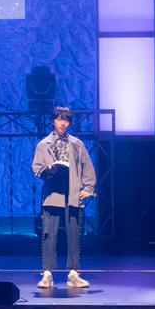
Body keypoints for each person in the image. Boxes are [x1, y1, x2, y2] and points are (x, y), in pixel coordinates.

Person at [31, 106, 96, 288]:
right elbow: (37, 167)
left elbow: (87, 166)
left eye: (66, 120)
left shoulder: (77, 144)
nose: (63, 123)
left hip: (72, 194)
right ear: (53, 121)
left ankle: (74, 273)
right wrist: (49, 171)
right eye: (60, 119)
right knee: (49, 235)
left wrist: (88, 188)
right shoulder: (43, 144)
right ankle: (47, 274)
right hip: (52, 195)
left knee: (74, 235)